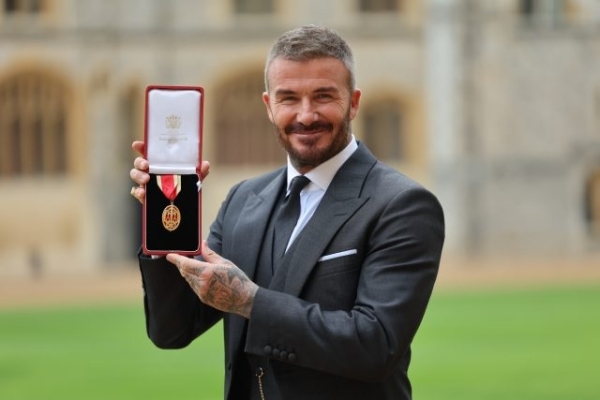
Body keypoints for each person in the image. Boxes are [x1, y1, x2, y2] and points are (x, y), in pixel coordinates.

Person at [130, 25, 444, 400]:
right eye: (289, 98)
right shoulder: (243, 200)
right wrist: (165, 217)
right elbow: (173, 331)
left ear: (354, 102)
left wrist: (250, 301)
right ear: (268, 106)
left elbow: (376, 345)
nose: (306, 115)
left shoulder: (402, 205)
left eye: (323, 96)